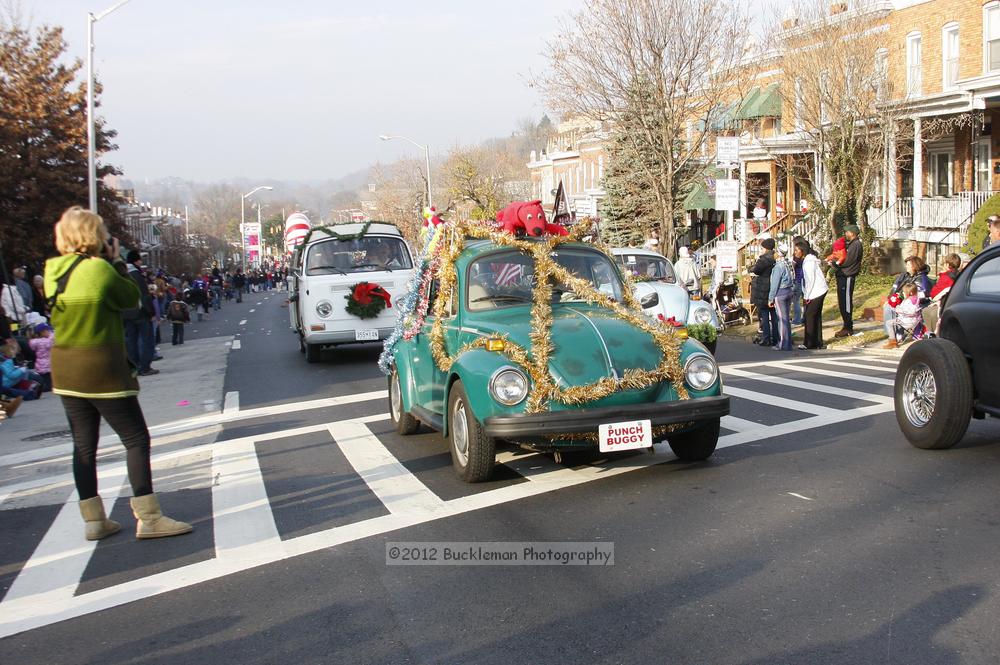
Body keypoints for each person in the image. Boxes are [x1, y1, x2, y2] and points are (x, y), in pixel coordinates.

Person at [44, 206, 191, 541]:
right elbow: (131, 300)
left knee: (83, 444)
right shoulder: (100, 270)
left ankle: (93, 520)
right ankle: (149, 517)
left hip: (65, 370)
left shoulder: (52, 269)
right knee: (136, 439)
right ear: (95, 236)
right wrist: (118, 262)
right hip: (101, 367)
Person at [121, 250, 158, 376]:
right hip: (140, 312)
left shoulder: (121, 274)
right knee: (146, 339)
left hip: (126, 313)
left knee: (131, 341)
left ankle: (134, 366)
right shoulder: (137, 275)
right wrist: (151, 312)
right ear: (136, 261)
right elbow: (144, 296)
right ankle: (145, 367)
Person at [881, 256, 931, 349]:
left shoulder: (921, 278)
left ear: (914, 266)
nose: (906, 267)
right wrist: (891, 300)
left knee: (889, 308)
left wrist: (897, 302)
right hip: (905, 304)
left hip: (912, 307)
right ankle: (893, 336)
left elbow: (920, 296)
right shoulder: (907, 276)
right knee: (888, 306)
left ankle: (893, 338)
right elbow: (899, 290)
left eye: (908, 265)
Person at [796, 240, 828, 350]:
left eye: (797, 250)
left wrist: (807, 297)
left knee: (809, 316)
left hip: (816, 291)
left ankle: (809, 343)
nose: (795, 253)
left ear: (802, 251)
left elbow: (810, 280)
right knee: (816, 316)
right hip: (819, 290)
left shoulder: (808, 262)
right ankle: (818, 342)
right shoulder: (809, 260)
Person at [832, 224, 862, 337]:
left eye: (847, 232)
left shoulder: (856, 245)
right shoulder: (851, 244)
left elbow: (849, 261)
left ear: (852, 233)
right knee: (842, 302)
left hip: (848, 275)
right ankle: (845, 325)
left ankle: (848, 327)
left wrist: (836, 263)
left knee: (846, 302)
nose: (846, 234)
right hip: (842, 275)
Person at [922, 253, 962, 336]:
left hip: (945, 305)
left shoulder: (946, 277)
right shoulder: (959, 274)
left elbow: (934, 294)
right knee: (929, 311)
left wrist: (941, 276)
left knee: (927, 312)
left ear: (947, 264)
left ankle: (933, 335)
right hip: (953, 302)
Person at [750, 238, 777, 347]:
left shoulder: (764, 259)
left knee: (764, 315)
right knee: (774, 315)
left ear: (765, 248)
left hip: (763, 288)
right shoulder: (775, 257)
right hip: (773, 286)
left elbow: (756, 270)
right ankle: (776, 337)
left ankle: (766, 338)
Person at [768, 244, 794, 351]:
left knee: (782, 319)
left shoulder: (778, 266)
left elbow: (774, 284)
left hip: (781, 293)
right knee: (786, 318)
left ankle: (783, 343)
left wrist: (770, 298)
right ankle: (788, 342)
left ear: (778, 253)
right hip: (789, 291)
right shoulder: (788, 263)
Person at [28, 322, 54, 392]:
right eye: (47, 331)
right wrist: (52, 334)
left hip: (41, 365)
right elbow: (51, 341)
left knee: (47, 381)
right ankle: (36, 389)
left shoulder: (35, 342)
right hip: (47, 366)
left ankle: (38, 386)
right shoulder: (44, 342)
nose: (49, 332)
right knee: (49, 385)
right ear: (41, 332)